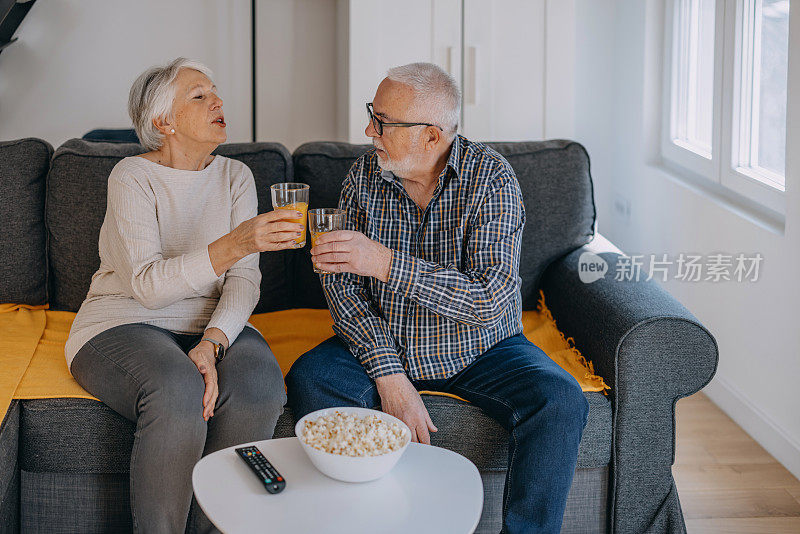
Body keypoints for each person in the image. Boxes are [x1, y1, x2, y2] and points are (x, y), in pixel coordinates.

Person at [286, 62, 590, 533]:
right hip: (383, 338)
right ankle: (354, 522)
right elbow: (342, 287)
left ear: (431, 136)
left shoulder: (491, 180)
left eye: (382, 122)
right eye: (373, 114)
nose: (368, 130)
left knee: (561, 400)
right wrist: (389, 374)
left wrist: (385, 263)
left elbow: (490, 299)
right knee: (313, 378)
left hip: (480, 348)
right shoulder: (364, 176)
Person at [65, 58, 302, 533]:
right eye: (199, 95)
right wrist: (235, 243)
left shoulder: (235, 176)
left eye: (215, 91)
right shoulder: (131, 177)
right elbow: (149, 288)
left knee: (260, 389)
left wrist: (213, 343)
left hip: (214, 321)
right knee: (177, 391)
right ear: (163, 122)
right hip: (124, 320)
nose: (217, 100)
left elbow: (243, 280)